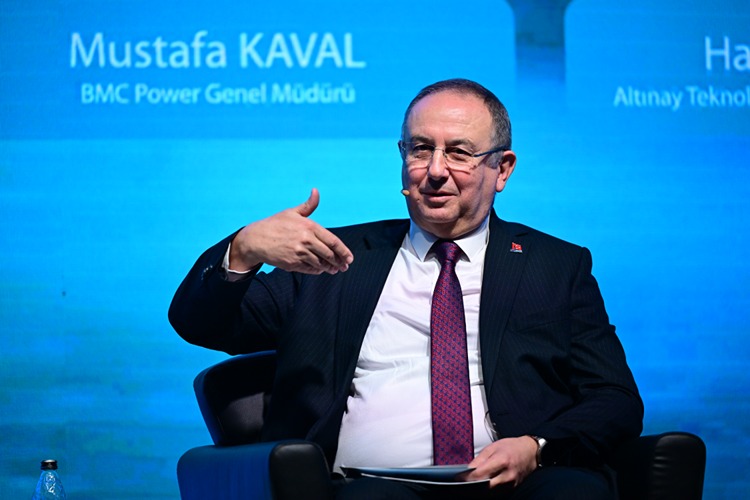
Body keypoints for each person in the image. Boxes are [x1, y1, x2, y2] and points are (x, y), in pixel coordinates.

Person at [169, 78, 643, 499]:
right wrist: (243, 249)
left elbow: (615, 399)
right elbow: (200, 324)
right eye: (420, 149)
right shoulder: (332, 258)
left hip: (518, 483)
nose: (435, 170)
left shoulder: (555, 267)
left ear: (502, 169)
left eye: (458, 153)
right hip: (369, 486)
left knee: (574, 492)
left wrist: (536, 448)